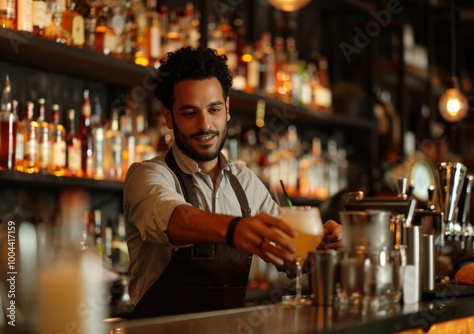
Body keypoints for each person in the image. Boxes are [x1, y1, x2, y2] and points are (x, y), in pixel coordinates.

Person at [123, 46, 343, 319]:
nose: (206, 125)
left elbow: (290, 256)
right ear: (168, 117)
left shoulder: (245, 182)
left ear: (227, 109)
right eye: (190, 113)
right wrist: (234, 228)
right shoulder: (147, 176)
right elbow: (173, 219)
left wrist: (320, 246)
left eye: (214, 109)